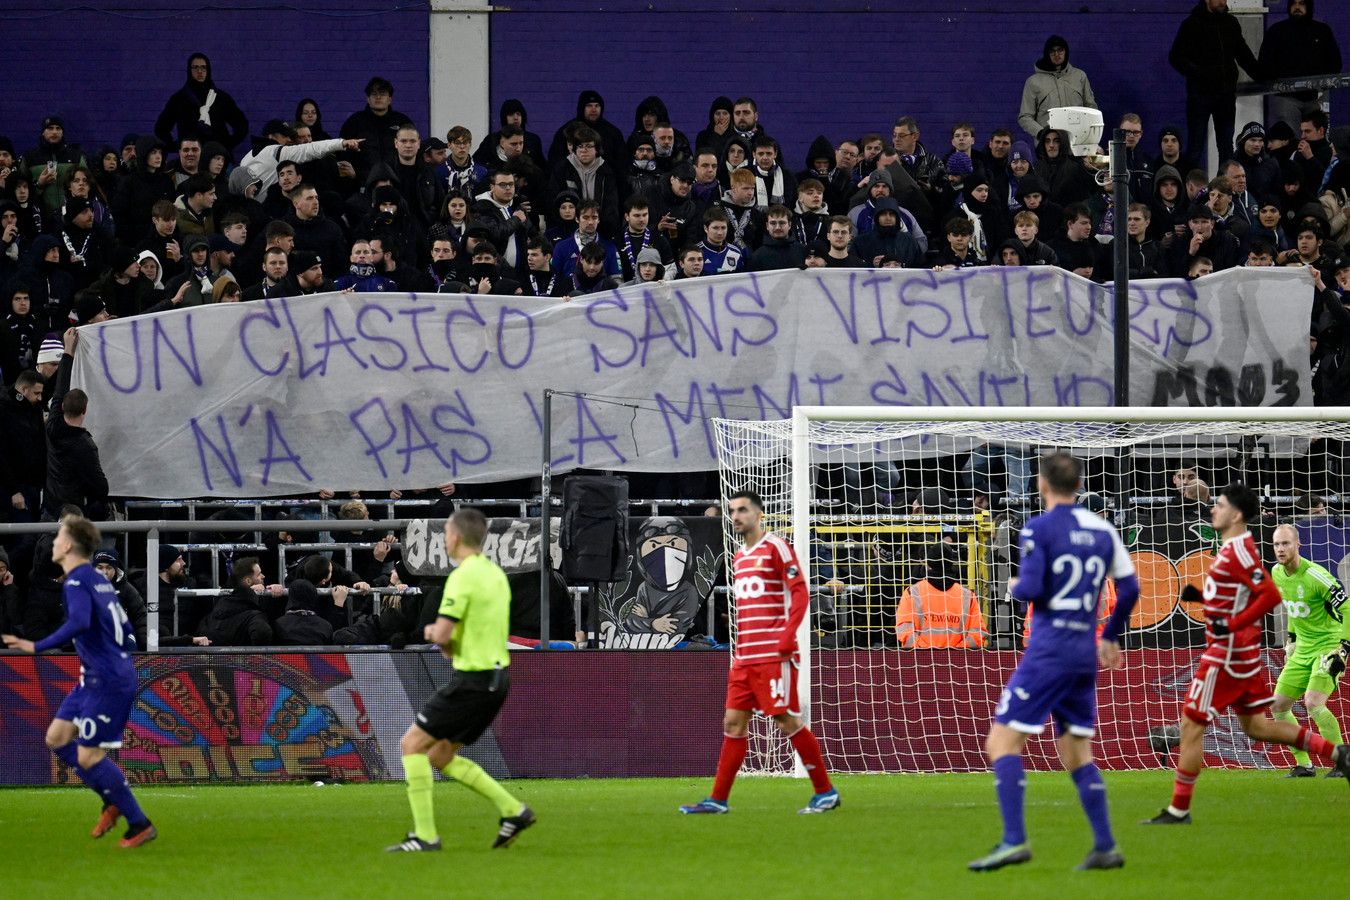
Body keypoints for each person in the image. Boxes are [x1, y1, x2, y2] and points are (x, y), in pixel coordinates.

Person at [968, 453, 1140, 871]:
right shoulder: (1102, 530)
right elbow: (1131, 588)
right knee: (1076, 751)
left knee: (1001, 743)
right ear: (1078, 485)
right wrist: (1112, 633)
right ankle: (1105, 845)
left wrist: (1013, 583)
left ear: (1042, 484)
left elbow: (1029, 588)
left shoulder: (1038, 529)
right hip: (1084, 651)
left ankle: (1013, 840)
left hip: (1047, 651)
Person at [1144, 482, 1350, 825]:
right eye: (1276, 543)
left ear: (1236, 514)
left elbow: (1266, 598)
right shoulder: (1240, 553)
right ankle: (1329, 756)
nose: (1213, 509)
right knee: (1268, 718)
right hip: (1275, 650)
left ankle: (1178, 806)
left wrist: (1344, 646)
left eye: (1219, 504)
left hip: (1235, 654)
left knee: (1195, 724)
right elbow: (1281, 604)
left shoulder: (1246, 553)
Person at [679, 489, 838, 815]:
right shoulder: (739, 557)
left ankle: (825, 792)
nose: (736, 516)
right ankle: (718, 800)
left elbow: (800, 594)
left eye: (742, 510)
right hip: (744, 656)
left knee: (786, 720)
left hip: (772, 655)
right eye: (732, 511)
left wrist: (786, 636)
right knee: (733, 724)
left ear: (758, 514)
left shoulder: (776, 547)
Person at [2, 514, 157, 847]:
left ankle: (139, 822)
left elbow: (77, 623)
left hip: (107, 679)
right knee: (57, 738)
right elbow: (127, 629)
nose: (55, 542)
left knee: (88, 757)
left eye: (59, 537)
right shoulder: (99, 581)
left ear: (69, 545)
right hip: (96, 675)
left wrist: (35, 645)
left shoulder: (76, 581)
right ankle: (111, 798)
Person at [387, 508, 535, 852]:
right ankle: (514, 810)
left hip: (474, 679)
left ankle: (425, 836)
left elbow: (441, 633)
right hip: (497, 679)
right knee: (439, 754)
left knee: (411, 745)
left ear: (453, 537)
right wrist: (450, 642)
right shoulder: (496, 575)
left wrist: (432, 632)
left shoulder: (463, 576)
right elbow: (471, 632)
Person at [1269, 524, 1350, 777]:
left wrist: (1343, 648)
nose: (1280, 549)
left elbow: (1347, 608)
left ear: (1297, 545)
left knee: (1313, 701)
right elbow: (1292, 607)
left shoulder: (1316, 576)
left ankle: (1342, 762)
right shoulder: (1276, 573)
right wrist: (1291, 638)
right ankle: (1304, 765)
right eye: (1277, 544)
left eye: (1285, 544)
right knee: (1278, 706)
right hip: (1302, 648)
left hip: (1328, 646)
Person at [1168, 0, 1265, 171]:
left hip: (1226, 95)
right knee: (1195, 148)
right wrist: (1201, 74)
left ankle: (1225, 191)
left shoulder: (1231, 23)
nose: (1222, 2)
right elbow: (1176, 57)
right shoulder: (1192, 24)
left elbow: (1243, 55)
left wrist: (1263, 75)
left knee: (1226, 147)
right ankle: (1192, 192)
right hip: (1200, 94)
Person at [1258, 0, 1343, 133]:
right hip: (1286, 97)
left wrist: (1324, 84)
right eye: (1294, 3)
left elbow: (1335, 61)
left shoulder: (1322, 30)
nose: (1297, 7)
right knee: (1289, 140)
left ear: (1309, 6)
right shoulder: (1277, 31)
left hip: (1317, 96)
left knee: (1318, 140)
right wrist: (1279, 81)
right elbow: (1265, 60)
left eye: (1302, 3)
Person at [895, 542, 985, 649]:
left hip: (919, 660)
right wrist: (957, 651)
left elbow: (904, 629)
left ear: (929, 564)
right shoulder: (967, 596)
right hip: (958, 662)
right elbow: (977, 634)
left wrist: (924, 649)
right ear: (951, 564)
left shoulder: (911, 592)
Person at [1018, 36, 1098, 139]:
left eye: (1060, 50)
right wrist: (1042, 134)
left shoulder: (1079, 76)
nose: (1057, 55)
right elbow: (1025, 116)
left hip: (1077, 142)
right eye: (1052, 51)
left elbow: (1091, 109)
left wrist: (1087, 133)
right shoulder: (1033, 82)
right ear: (1047, 54)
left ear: (1066, 52)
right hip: (1048, 147)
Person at [200, 556, 278, 647]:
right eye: (259, 574)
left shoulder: (214, 612)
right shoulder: (253, 615)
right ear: (248, 581)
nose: (263, 576)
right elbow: (262, 633)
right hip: (248, 660)